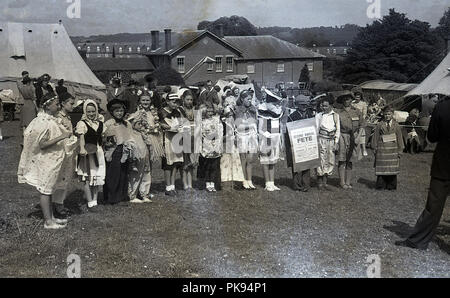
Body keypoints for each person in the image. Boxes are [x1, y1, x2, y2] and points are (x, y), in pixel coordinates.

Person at [395, 96, 450, 250]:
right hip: (443, 165)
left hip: (444, 165)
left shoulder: (443, 106)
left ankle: (418, 240)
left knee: (433, 206)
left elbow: (432, 136)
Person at [17, 93, 72, 229]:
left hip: (52, 160)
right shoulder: (43, 122)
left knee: (49, 189)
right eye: (56, 104)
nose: (58, 106)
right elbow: (42, 144)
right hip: (47, 161)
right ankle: (48, 221)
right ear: (48, 106)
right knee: (46, 190)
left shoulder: (50, 120)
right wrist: (62, 136)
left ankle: (51, 217)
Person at [75, 99, 106, 210]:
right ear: (85, 112)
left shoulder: (100, 123)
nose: (91, 114)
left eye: (93, 111)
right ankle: (90, 201)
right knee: (87, 177)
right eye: (89, 112)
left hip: (98, 152)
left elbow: (102, 139)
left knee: (96, 177)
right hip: (87, 152)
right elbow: (81, 138)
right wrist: (82, 149)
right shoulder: (82, 124)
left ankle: (95, 199)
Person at [52, 92, 78, 217]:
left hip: (69, 151)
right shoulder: (58, 117)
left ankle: (59, 202)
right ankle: (57, 204)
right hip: (61, 151)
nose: (73, 106)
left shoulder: (67, 117)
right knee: (59, 177)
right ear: (62, 103)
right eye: (71, 103)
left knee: (66, 177)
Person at [103, 99, 132, 204]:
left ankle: (122, 195)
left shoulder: (127, 123)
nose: (119, 113)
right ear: (112, 112)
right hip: (113, 150)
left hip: (125, 150)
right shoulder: (109, 124)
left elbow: (130, 136)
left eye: (121, 111)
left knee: (123, 173)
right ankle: (111, 197)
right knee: (113, 173)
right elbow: (104, 137)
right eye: (117, 111)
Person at [286, 95, 315, 192]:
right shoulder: (292, 116)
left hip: (307, 143)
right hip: (296, 144)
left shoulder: (310, 115)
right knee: (297, 165)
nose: (304, 106)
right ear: (297, 105)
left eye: (306, 104)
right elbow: (288, 132)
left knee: (307, 164)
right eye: (302, 104)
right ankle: (297, 185)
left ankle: (306, 184)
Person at [371, 106, 404, 190]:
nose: (387, 116)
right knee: (382, 167)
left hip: (393, 150)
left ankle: (391, 186)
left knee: (392, 167)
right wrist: (374, 147)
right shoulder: (379, 125)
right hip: (382, 150)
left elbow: (400, 138)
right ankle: (381, 185)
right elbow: (375, 137)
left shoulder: (396, 125)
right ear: (383, 114)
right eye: (385, 114)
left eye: (389, 114)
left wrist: (400, 150)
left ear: (392, 114)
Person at [337, 93, 365, 189]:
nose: (346, 101)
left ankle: (348, 182)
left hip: (354, 136)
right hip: (342, 136)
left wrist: (358, 138)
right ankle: (342, 182)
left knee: (350, 160)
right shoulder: (338, 112)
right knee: (342, 159)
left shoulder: (356, 111)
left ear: (351, 100)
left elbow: (362, 125)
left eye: (348, 99)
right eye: (344, 99)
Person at [159, 93, 185, 196]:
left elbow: (181, 123)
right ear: (167, 101)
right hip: (166, 139)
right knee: (167, 163)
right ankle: (168, 186)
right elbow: (159, 123)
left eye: (177, 102)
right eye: (173, 102)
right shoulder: (161, 112)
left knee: (176, 162)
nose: (175, 104)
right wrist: (165, 126)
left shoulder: (177, 112)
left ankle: (173, 185)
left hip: (176, 138)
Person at [258, 89, 284, 191]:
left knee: (272, 161)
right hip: (265, 138)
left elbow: (276, 127)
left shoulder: (276, 111)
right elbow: (261, 128)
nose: (275, 104)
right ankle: (267, 183)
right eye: (273, 102)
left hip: (274, 138)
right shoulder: (262, 112)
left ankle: (272, 183)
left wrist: (277, 137)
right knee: (265, 161)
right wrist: (267, 136)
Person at [315, 95, 340, 190]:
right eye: (322, 106)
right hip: (322, 139)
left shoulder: (336, 116)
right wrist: (317, 141)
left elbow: (338, 130)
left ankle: (326, 181)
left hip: (331, 140)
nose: (323, 108)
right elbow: (316, 129)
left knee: (330, 159)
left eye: (326, 106)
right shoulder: (319, 116)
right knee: (321, 158)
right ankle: (319, 182)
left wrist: (336, 142)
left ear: (331, 106)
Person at [235, 89, 258, 189]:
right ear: (242, 99)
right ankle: (243, 180)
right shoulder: (238, 109)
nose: (250, 101)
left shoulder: (253, 109)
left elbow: (255, 122)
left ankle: (249, 180)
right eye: (248, 99)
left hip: (251, 135)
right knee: (243, 159)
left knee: (250, 159)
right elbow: (237, 124)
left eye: (251, 99)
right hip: (242, 135)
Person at [127, 119, 152, 203]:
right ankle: (132, 195)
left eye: (142, 124)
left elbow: (148, 143)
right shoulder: (131, 134)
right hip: (137, 157)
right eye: (139, 124)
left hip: (145, 156)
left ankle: (144, 194)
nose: (141, 125)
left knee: (146, 174)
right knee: (135, 176)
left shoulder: (143, 133)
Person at [179, 89, 199, 191]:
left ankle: (190, 184)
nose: (189, 101)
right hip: (183, 137)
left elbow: (198, 124)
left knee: (191, 160)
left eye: (191, 99)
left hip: (193, 137)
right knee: (184, 161)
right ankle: (184, 184)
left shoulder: (195, 110)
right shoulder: (179, 110)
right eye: (187, 99)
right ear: (183, 99)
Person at [201, 104, 223, 192]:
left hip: (216, 145)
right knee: (207, 166)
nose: (210, 113)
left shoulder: (216, 120)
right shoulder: (203, 121)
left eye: (211, 111)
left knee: (214, 166)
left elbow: (220, 131)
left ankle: (212, 183)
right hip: (207, 145)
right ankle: (207, 183)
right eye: (208, 111)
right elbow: (202, 133)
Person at [352, 88, 368, 156]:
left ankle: (364, 149)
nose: (357, 98)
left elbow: (364, 113)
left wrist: (361, 121)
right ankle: (354, 149)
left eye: (358, 97)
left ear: (360, 97)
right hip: (353, 121)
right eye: (356, 96)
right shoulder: (352, 103)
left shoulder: (363, 104)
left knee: (362, 135)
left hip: (361, 120)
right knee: (353, 134)